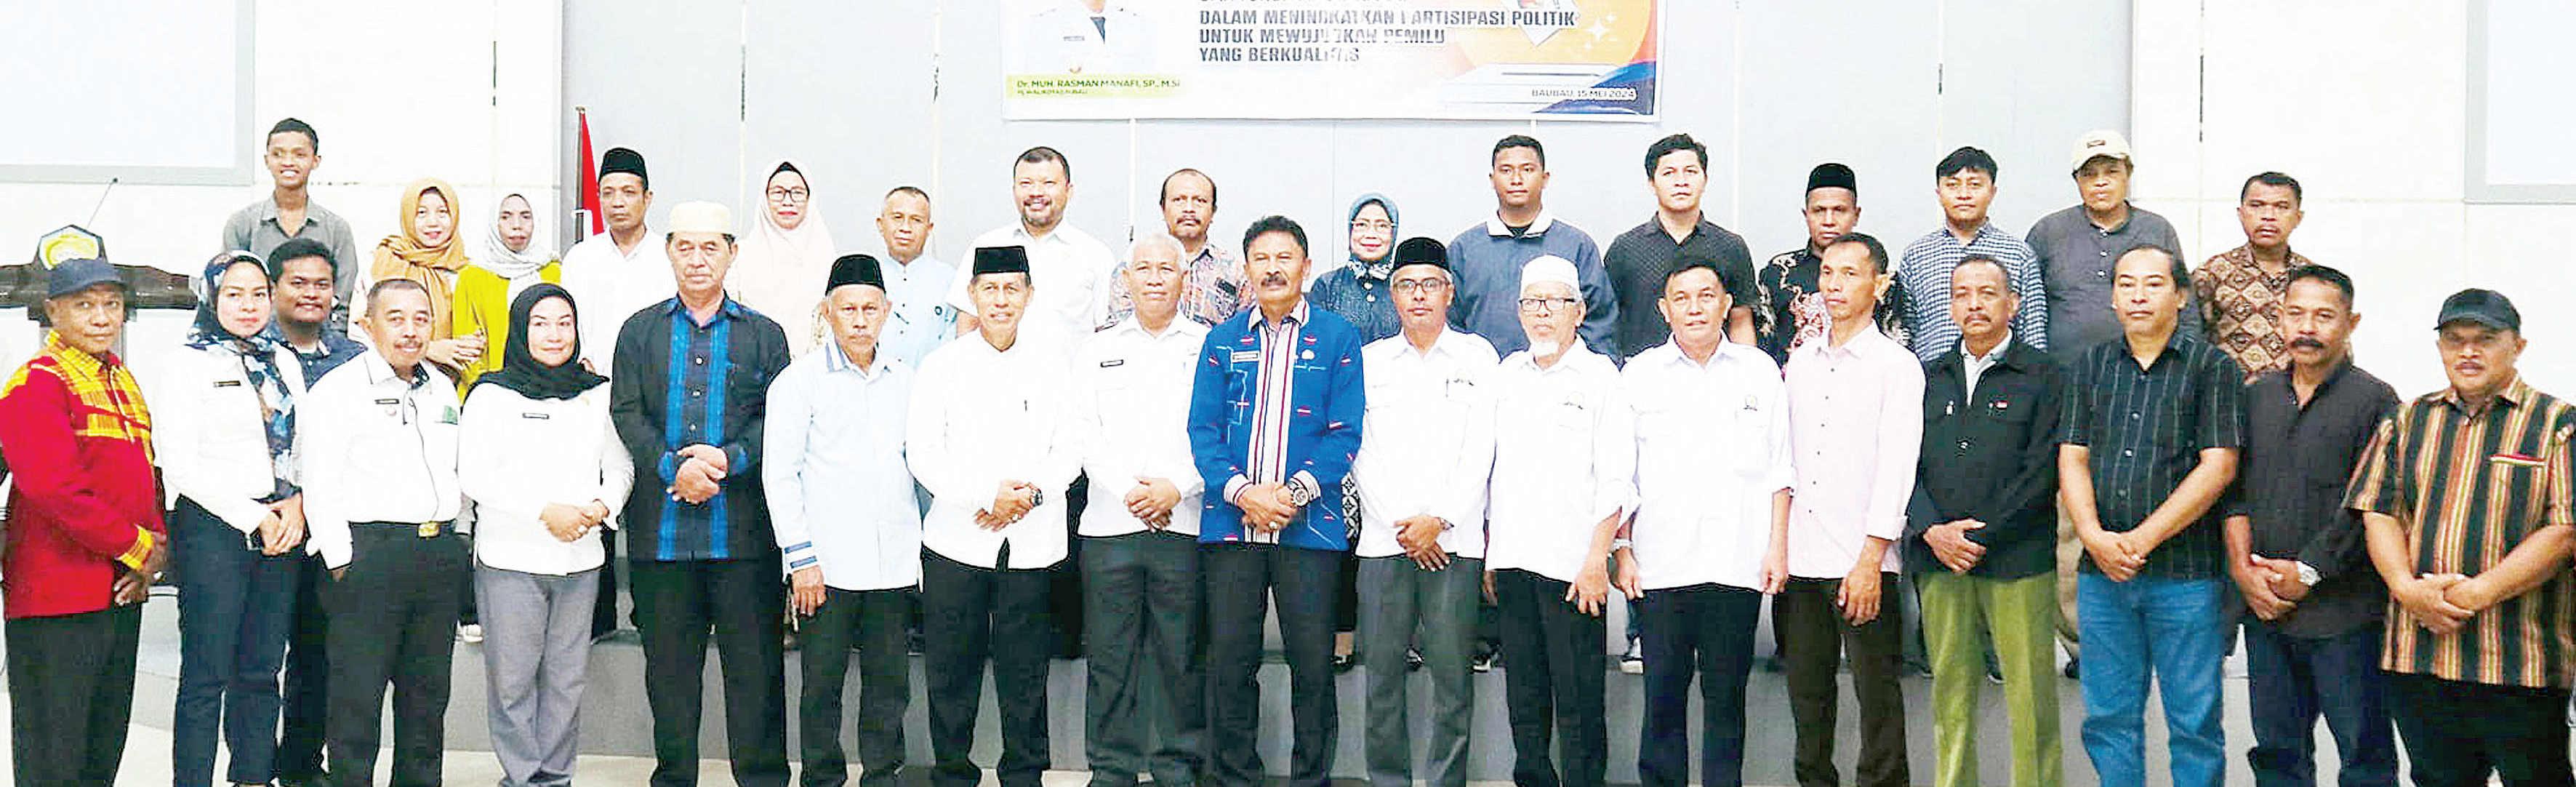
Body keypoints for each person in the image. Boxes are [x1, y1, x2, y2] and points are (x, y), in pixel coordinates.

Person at [2349, 289, 2575, 787]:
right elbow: (2377, 514)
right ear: (2439, 348)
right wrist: (2407, 590)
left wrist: (2476, 594)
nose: (2467, 352)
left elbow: (2564, 531)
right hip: (2417, 655)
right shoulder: (2406, 419)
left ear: (2517, 346)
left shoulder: (2558, 424)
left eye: (2484, 340)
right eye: (2454, 341)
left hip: (2519, 661)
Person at [608, 201, 795, 787]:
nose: (696, 260)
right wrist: (673, 468)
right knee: (669, 675)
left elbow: (777, 420)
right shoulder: (639, 331)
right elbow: (626, 410)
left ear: (732, 253)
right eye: (684, 247)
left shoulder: (766, 335)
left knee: (756, 673)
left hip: (742, 539)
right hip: (660, 539)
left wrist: (728, 459)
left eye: (709, 247)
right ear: (668, 252)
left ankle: (762, 779)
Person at [1188, 216, 1367, 787]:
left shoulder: (1338, 337)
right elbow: (1203, 431)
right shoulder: (1222, 340)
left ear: (1305, 268)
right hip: (1231, 527)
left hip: (1308, 529)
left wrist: (1287, 496)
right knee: (1230, 664)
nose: (1272, 268)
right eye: (1260, 258)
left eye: (1284, 257)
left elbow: (1345, 434)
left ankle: (1310, 779)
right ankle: (1235, 777)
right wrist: (1245, 493)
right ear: (1246, 269)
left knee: (1312, 667)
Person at [2059, 245, 2245, 787]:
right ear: (2113, 297)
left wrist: (2138, 539)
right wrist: (2093, 537)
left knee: (2194, 723)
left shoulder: (2212, 367)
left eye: (2153, 284)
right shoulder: (2091, 366)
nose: (2138, 295)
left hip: (2185, 578)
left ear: (2180, 295)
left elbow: (2218, 468)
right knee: (2108, 719)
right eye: (2125, 284)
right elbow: (2071, 457)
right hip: (2102, 577)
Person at [2223, 265, 2400, 787]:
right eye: (2296, 313)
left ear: (2351, 323)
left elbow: (2371, 502)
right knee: (2277, 754)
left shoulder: (2376, 401)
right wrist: (2243, 573)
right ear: (2279, 318)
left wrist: (2308, 571)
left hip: (2345, 615)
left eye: (2323, 316)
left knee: (2364, 755)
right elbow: (2232, 492)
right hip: (2267, 611)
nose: (2307, 327)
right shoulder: (2256, 396)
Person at [910, 245, 1080, 787]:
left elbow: (1070, 453)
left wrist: (1027, 498)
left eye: (1012, 289)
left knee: (1025, 677)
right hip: (956, 545)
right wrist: (987, 496)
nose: (1000, 300)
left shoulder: (1056, 365)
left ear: (1028, 296)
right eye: (989, 288)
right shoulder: (941, 366)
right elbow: (924, 454)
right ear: (972, 295)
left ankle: (1024, 776)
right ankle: (952, 775)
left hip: (1033, 546)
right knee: (951, 675)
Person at [0, 256, 166, 787]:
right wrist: (138, 547)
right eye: (85, 305)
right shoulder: (36, 384)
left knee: (102, 745)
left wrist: (152, 554)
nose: (102, 318)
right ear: (52, 311)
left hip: (118, 591)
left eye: (112, 305)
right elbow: (54, 488)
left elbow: (145, 476)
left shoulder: (123, 380)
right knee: (54, 751)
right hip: (55, 595)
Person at [1619, 260, 1786, 787]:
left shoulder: (1758, 371)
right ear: (1664, 310)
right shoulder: (1639, 374)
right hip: (1660, 567)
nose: (1694, 307)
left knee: (1726, 703)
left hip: (1735, 563)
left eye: (1705, 296)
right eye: (1682, 298)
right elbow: (1620, 474)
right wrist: (1622, 551)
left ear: (1724, 305)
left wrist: (1776, 549)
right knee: (1662, 702)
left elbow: (1782, 467)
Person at [300, 279, 469, 787]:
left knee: (426, 701)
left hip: (436, 554)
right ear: (368, 325)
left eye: (421, 319)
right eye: (396, 318)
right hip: (368, 557)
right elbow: (319, 480)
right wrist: (340, 559)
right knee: (357, 700)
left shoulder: (440, 386)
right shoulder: (340, 389)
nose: (410, 330)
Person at [462, 284, 631, 787]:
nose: (554, 334)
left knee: (565, 681)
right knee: (512, 683)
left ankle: (555, 777)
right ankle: (521, 777)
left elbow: (620, 467)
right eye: (540, 323)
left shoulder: (598, 391)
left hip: (580, 559)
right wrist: (544, 512)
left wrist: (602, 507)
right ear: (520, 329)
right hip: (510, 558)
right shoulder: (491, 393)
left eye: (564, 323)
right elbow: (474, 475)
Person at [1907, 257, 2066, 787]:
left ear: (2012, 304)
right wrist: (1931, 530)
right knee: (1949, 698)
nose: (1974, 304)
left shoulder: (2045, 376)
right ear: (1949, 305)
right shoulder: (1927, 377)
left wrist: (1976, 537)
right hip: (1938, 560)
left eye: (1987, 293)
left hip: (2016, 563)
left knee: (2030, 701)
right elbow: (1899, 464)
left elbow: (2043, 471)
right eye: (1962, 294)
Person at [156, 251, 310, 787]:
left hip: (282, 526)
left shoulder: (283, 360)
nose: (248, 306)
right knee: (206, 674)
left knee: (262, 671)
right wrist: (253, 516)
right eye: (234, 294)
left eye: (258, 294)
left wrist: (296, 504)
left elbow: (305, 446)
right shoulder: (188, 362)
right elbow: (178, 462)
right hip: (213, 530)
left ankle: (251, 777)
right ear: (212, 297)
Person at [768, 255, 921, 787]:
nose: (859, 319)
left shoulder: (908, 381)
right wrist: (801, 560)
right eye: (848, 309)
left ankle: (882, 776)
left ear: (888, 312)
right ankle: (821, 779)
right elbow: (779, 476)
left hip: (894, 566)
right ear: (826, 313)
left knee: (888, 686)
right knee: (821, 686)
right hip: (824, 569)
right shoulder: (798, 382)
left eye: (869, 308)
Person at [1349, 238, 1496, 787]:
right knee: (1382, 677)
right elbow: (1359, 450)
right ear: (1392, 295)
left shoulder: (1477, 358)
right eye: (1407, 285)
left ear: (1449, 292)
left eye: (1430, 284)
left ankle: (1444, 781)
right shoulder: (1370, 362)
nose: (1419, 296)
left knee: (1451, 678)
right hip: (1384, 545)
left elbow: (1481, 449)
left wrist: (1442, 519)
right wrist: (1404, 525)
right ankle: (1386, 779)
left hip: (1452, 547)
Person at [1777, 233, 1922, 787]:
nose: (1834, 285)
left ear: (1878, 285)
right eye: (1828, 274)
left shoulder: (1896, 366)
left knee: (1876, 695)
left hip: (1863, 560)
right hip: (1803, 557)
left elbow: (1897, 467)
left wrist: (1870, 558)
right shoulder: (1801, 361)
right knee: (1807, 694)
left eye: (1850, 274)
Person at [1072, 236, 1212, 787]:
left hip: (1184, 525)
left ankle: (1177, 764)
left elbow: (1220, 433)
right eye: (1143, 269)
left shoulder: (1208, 346)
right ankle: (1111, 768)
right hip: (1111, 528)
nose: (1154, 278)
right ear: (1125, 280)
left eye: (1166, 269)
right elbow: (1082, 431)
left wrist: (1176, 488)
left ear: (1184, 279)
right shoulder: (1095, 350)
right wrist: (1132, 492)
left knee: (1180, 657)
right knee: (1110, 658)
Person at [1485, 255, 1629, 787]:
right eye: (1531, 303)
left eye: (1554, 302)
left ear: (1579, 310)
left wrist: (1598, 560)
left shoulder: (1600, 378)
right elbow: (1492, 471)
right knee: (1523, 699)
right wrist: (1491, 552)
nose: (1542, 314)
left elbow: (1616, 477)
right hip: (1514, 562)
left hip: (1575, 570)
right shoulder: (1506, 376)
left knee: (1578, 701)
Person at [262, 236, 362, 787]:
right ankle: (252, 766)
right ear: (275, 289)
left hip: (328, 528)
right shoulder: (247, 350)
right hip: (261, 526)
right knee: (254, 659)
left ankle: (301, 765)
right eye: (298, 283)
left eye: (321, 284)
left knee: (317, 654)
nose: (311, 294)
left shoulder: (354, 361)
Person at [2027, 129, 2195, 359]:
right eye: (2089, 175)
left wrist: (2185, 364)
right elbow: (2027, 310)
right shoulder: (2048, 231)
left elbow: (2186, 308)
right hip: (2061, 374)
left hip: (2142, 374)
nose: (2101, 183)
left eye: (2112, 172)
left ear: (2129, 174)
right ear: (2077, 180)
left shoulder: (2157, 230)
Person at [1448, 135, 1616, 356]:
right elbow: (1450, 324)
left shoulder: (1577, 246)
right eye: (1506, 171)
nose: (1516, 179)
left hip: (1561, 380)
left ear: (1545, 178)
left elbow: (1600, 323)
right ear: (1492, 179)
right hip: (1483, 379)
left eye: (1527, 170)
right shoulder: (1464, 249)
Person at [947, 146, 1115, 348]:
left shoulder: (1094, 255)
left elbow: (1106, 334)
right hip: (996, 378)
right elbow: (967, 324)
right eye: (1026, 184)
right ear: (1014, 190)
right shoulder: (986, 246)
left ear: (1069, 191)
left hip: (1069, 379)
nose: (1036, 193)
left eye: (1048, 183)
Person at [1605, 132, 1754, 358]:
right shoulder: (1625, 248)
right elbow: (1606, 320)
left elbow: (1741, 319)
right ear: (1652, 184)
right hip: (1643, 375)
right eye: (1669, 173)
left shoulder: (1730, 246)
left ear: (1705, 179)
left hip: (1714, 373)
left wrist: (1746, 369)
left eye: (1691, 172)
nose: (1681, 182)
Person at [1897, 145, 2048, 364]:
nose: (1964, 194)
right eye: (1953, 185)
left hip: (2003, 379)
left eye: (1975, 185)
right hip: (1933, 382)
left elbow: (2033, 330)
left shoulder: (2019, 253)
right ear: (1939, 194)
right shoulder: (1916, 254)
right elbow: (1907, 330)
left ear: (1992, 192)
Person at [1754, 163, 1911, 366]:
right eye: (1819, 211)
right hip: (1792, 388)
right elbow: (1763, 346)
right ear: (1806, 215)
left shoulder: (1881, 279)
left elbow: (1897, 346)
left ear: (1856, 214)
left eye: (1839, 210)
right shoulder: (1779, 272)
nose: (1829, 220)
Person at [223, 118, 362, 332]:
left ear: (315, 161)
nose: (288, 162)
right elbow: (230, 291)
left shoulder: (336, 229)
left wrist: (329, 351)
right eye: (278, 154)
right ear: (266, 160)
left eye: (299, 154)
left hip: (319, 344)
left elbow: (342, 304)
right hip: (256, 343)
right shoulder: (242, 224)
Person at [2195, 172, 2314, 382]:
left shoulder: (2313, 279)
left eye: (2281, 207)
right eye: (2257, 205)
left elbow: (2336, 344)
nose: (2268, 215)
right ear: (2241, 213)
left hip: (2299, 403)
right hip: (2230, 400)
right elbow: (2191, 341)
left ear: (2298, 218)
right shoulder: (2212, 273)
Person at [363, 177, 486, 377]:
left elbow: (479, 330)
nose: (433, 223)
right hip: (387, 378)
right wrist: (428, 349)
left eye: (443, 213)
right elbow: (360, 328)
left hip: (451, 382)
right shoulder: (382, 261)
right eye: (421, 213)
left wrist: (473, 344)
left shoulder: (467, 272)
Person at [561, 146, 667, 375]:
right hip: (590, 385)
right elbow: (566, 321)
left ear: (647, 199)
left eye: (628, 192)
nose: (617, 202)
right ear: (598, 198)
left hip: (656, 385)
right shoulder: (580, 259)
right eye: (608, 193)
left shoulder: (668, 258)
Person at [1104, 169, 1243, 327]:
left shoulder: (1234, 271)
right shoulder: (1134, 264)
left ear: (1213, 212)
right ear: (1163, 209)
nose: (1189, 209)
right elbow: (1117, 328)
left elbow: (1246, 332)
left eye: (1200, 201)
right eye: (1179, 200)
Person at [731, 160, 838, 356]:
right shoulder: (740, 258)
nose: (787, 201)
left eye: (797, 193)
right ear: (764, 198)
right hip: (753, 369)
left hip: (814, 373)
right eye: (778, 193)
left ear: (810, 198)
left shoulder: (828, 260)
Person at [454, 193, 562, 386]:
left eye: (526, 216)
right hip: (488, 389)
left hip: (549, 387)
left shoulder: (553, 272)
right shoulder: (473, 275)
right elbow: (466, 346)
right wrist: (485, 389)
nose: (517, 225)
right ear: (494, 222)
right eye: (506, 217)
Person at [873, 185, 956, 369]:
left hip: (933, 388)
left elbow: (956, 343)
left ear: (929, 228)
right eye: (897, 218)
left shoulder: (949, 280)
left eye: (916, 220)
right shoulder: (866, 278)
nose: (905, 228)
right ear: (880, 224)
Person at [1309, 193, 1405, 343]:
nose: (1371, 234)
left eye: (1382, 226)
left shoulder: (1404, 285)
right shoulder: (1327, 285)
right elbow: (1315, 343)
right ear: (1350, 230)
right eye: (1362, 225)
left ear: (1394, 233)